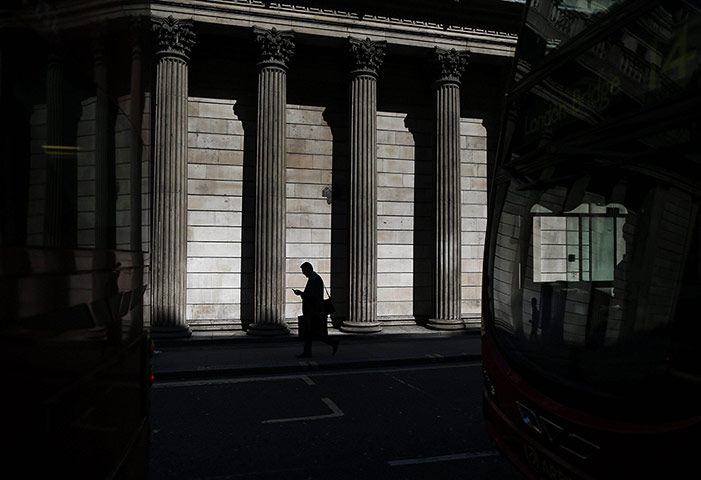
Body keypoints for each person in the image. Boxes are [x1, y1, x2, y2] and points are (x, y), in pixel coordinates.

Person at [293, 262, 339, 358]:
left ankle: (332, 342)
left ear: (308, 269)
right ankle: (307, 352)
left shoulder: (315, 279)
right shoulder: (314, 278)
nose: (303, 273)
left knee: (314, 332)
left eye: (304, 271)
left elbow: (314, 296)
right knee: (309, 333)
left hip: (314, 312)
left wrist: (301, 293)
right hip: (313, 311)